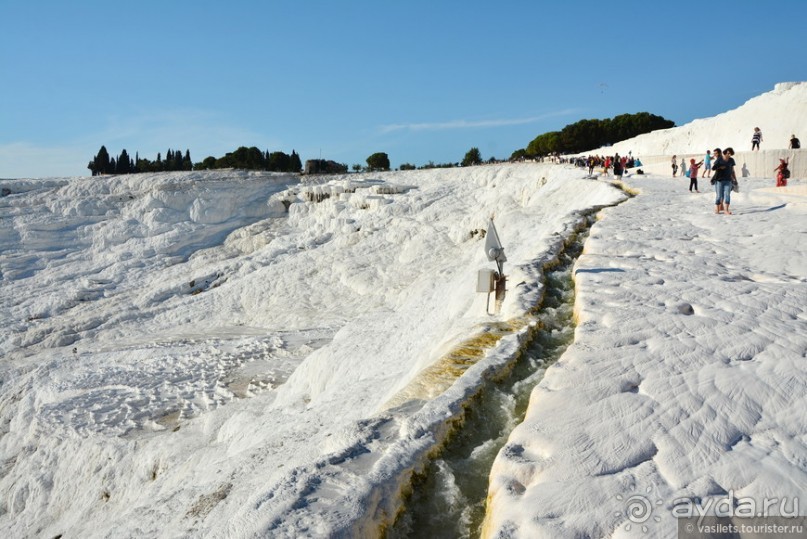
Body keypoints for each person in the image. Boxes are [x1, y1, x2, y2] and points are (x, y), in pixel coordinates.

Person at [712, 147, 736, 214]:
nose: (729, 155)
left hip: (728, 180)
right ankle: (717, 209)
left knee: (727, 195)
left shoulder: (731, 160)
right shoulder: (720, 159)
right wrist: (720, 167)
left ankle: (726, 210)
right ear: (725, 153)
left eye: (730, 153)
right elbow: (713, 168)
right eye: (728, 153)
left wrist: (735, 179)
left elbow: (732, 171)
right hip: (719, 180)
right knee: (719, 196)